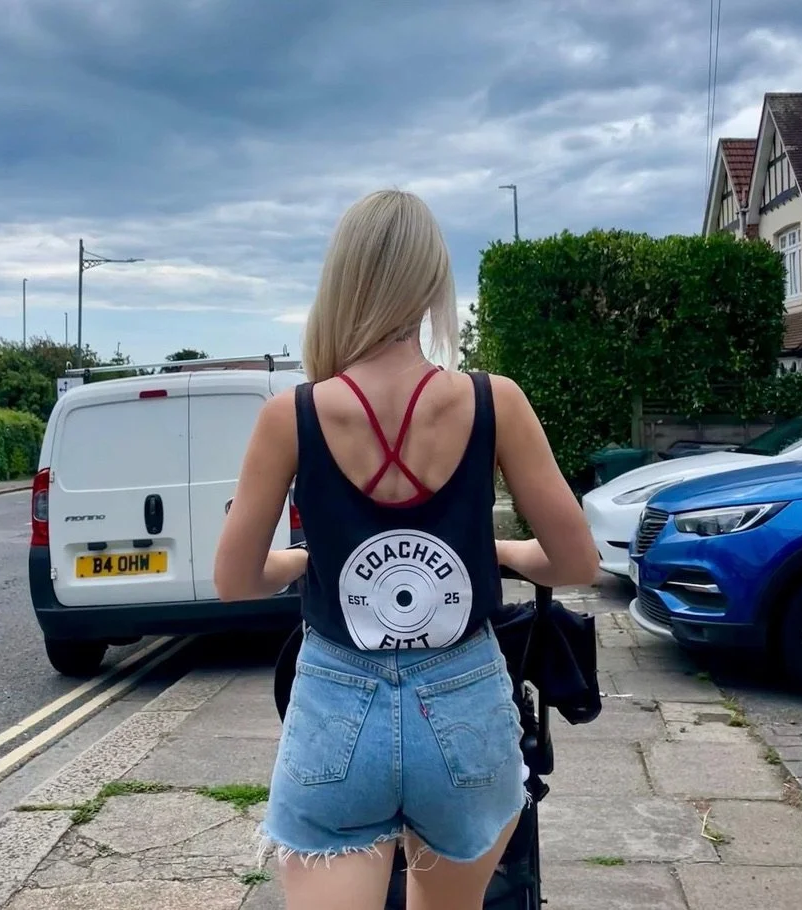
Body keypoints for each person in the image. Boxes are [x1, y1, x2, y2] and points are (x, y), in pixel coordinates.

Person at [214, 189, 598, 910]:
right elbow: (576, 564)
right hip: (465, 705)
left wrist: (301, 562)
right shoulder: (496, 402)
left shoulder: (289, 415)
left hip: (335, 703)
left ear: (342, 281)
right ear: (430, 285)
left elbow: (235, 579)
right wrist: (503, 553)